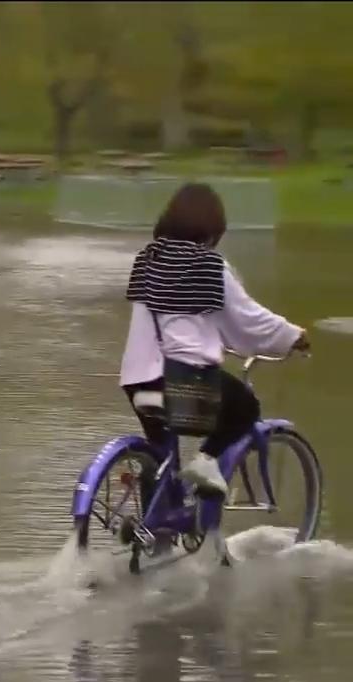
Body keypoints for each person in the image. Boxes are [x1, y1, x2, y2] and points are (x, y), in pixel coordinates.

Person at [120, 182, 309, 496]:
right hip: (184, 377)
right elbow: (249, 320)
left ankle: (152, 536)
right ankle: (206, 460)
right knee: (246, 407)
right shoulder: (210, 266)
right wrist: (292, 336)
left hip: (137, 377)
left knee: (160, 456)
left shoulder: (147, 260)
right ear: (213, 228)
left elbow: (179, 319)